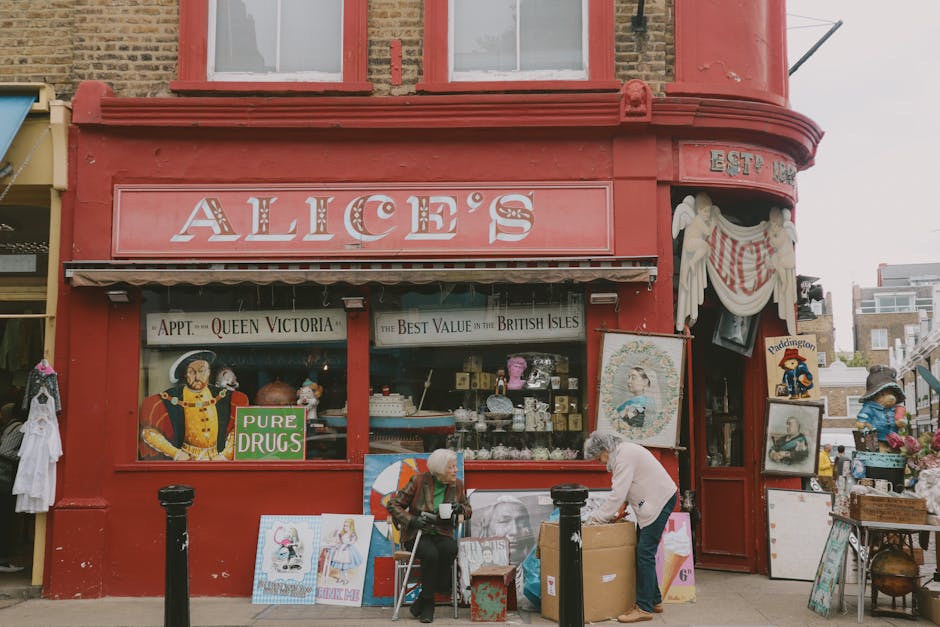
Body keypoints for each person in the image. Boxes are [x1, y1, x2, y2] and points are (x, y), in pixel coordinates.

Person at [584, 431, 677, 624]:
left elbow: (618, 493)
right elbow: (627, 490)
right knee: (642, 551)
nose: (600, 463)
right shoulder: (623, 452)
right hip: (656, 499)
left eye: (598, 458)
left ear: (604, 450)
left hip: (659, 500)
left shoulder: (623, 457)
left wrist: (597, 518)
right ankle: (654, 600)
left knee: (645, 553)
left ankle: (643, 607)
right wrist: (621, 509)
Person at [387, 449, 471, 624]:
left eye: (455, 466)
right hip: (417, 533)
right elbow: (393, 504)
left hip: (441, 531)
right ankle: (428, 605)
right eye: (451, 467)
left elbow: (468, 509)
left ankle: (425, 597)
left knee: (450, 549)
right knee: (431, 554)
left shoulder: (458, 485)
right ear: (440, 470)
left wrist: (460, 509)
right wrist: (411, 520)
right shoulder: (418, 481)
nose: (456, 470)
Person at [139, 350, 248, 461]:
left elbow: (240, 428)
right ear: (185, 374)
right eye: (191, 372)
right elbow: (148, 433)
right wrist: (176, 454)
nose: (197, 377)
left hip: (218, 460)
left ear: (209, 372)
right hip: (186, 461)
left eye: (202, 371)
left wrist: (225, 455)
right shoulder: (169, 398)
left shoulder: (226, 398)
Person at [855, 365, 906, 451]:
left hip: (894, 441)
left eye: (892, 393)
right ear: (874, 395)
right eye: (883, 394)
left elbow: (901, 420)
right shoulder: (870, 408)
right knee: (880, 451)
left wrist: (901, 422)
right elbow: (861, 421)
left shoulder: (895, 409)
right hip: (877, 441)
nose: (891, 397)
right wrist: (864, 425)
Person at [0, 403, 25, 572]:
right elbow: (5, 450)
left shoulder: (9, 427)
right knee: (5, 518)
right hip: (4, 479)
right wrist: (25, 457)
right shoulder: (19, 427)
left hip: (5, 479)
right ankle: (3, 560)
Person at [482, 494, 534, 565]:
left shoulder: (537, 569)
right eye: (504, 521)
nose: (514, 531)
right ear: (487, 528)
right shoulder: (476, 569)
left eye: (522, 522)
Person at [327, 518, 363, 585]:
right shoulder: (343, 533)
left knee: (344, 568)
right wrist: (339, 542)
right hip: (341, 551)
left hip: (347, 552)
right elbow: (340, 540)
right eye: (344, 525)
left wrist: (347, 542)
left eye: (346, 526)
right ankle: (341, 578)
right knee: (341, 567)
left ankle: (346, 579)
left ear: (351, 526)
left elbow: (352, 542)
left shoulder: (352, 534)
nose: (345, 527)